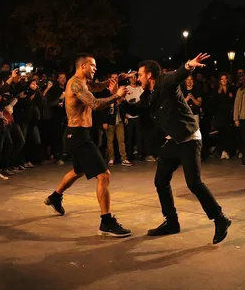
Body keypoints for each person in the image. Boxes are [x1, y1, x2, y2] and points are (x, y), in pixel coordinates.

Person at [123, 53, 231, 244]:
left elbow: (177, 75)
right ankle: (172, 222)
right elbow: (136, 109)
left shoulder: (165, 81)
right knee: (161, 180)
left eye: (140, 74)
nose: (137, 78)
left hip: (189, 138)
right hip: (173, 141)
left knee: (193, 183)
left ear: (149, 74)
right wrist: (118, 97)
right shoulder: (150, 94)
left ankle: (220, 218)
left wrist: (190, 65)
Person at [44, 54, 132, 237]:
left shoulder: (85, 82)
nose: (95, 69)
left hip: (79, 135)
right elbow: (94, 103)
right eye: (93, 66)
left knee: (78, 171)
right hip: (77, 137)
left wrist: (117, 78)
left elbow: (99, 87)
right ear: (83, 66)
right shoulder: (76, 83)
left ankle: (55, 197)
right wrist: (116, 96)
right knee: (104, 175)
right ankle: (106, 222)